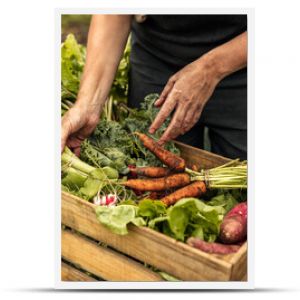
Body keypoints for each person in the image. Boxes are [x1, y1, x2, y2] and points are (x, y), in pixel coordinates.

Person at [61, 15, 247, 159]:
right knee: (151, 161)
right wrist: (89, 104)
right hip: (156, 58)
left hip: (240, 65)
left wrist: (211, 68)